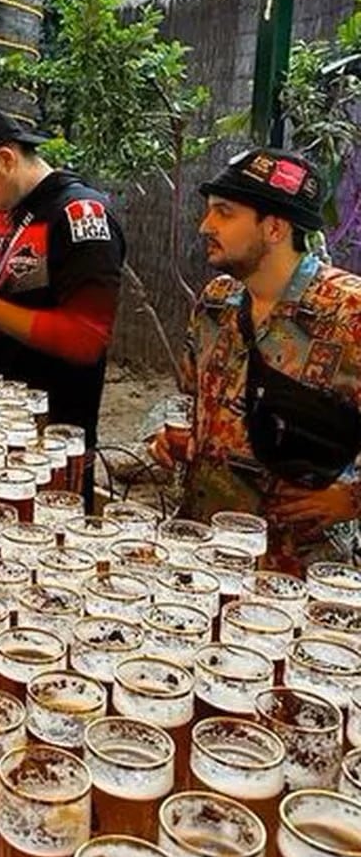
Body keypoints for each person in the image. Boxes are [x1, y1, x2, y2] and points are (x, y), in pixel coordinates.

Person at [150, 147, 361, 563]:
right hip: (204, 551)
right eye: (209, 211)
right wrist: (167, 434)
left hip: (298, 569)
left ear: (276, 228)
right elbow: (191, 401)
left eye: (224, 213)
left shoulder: (348, 313)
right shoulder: (216, 303)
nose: (205, 226)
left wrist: (354, 498)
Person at [0, 106, 126, 457]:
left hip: (47, 431)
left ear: (6, 159)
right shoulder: (7, 214)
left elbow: (86, 339)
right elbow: (9, 296)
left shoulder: (80, 214)